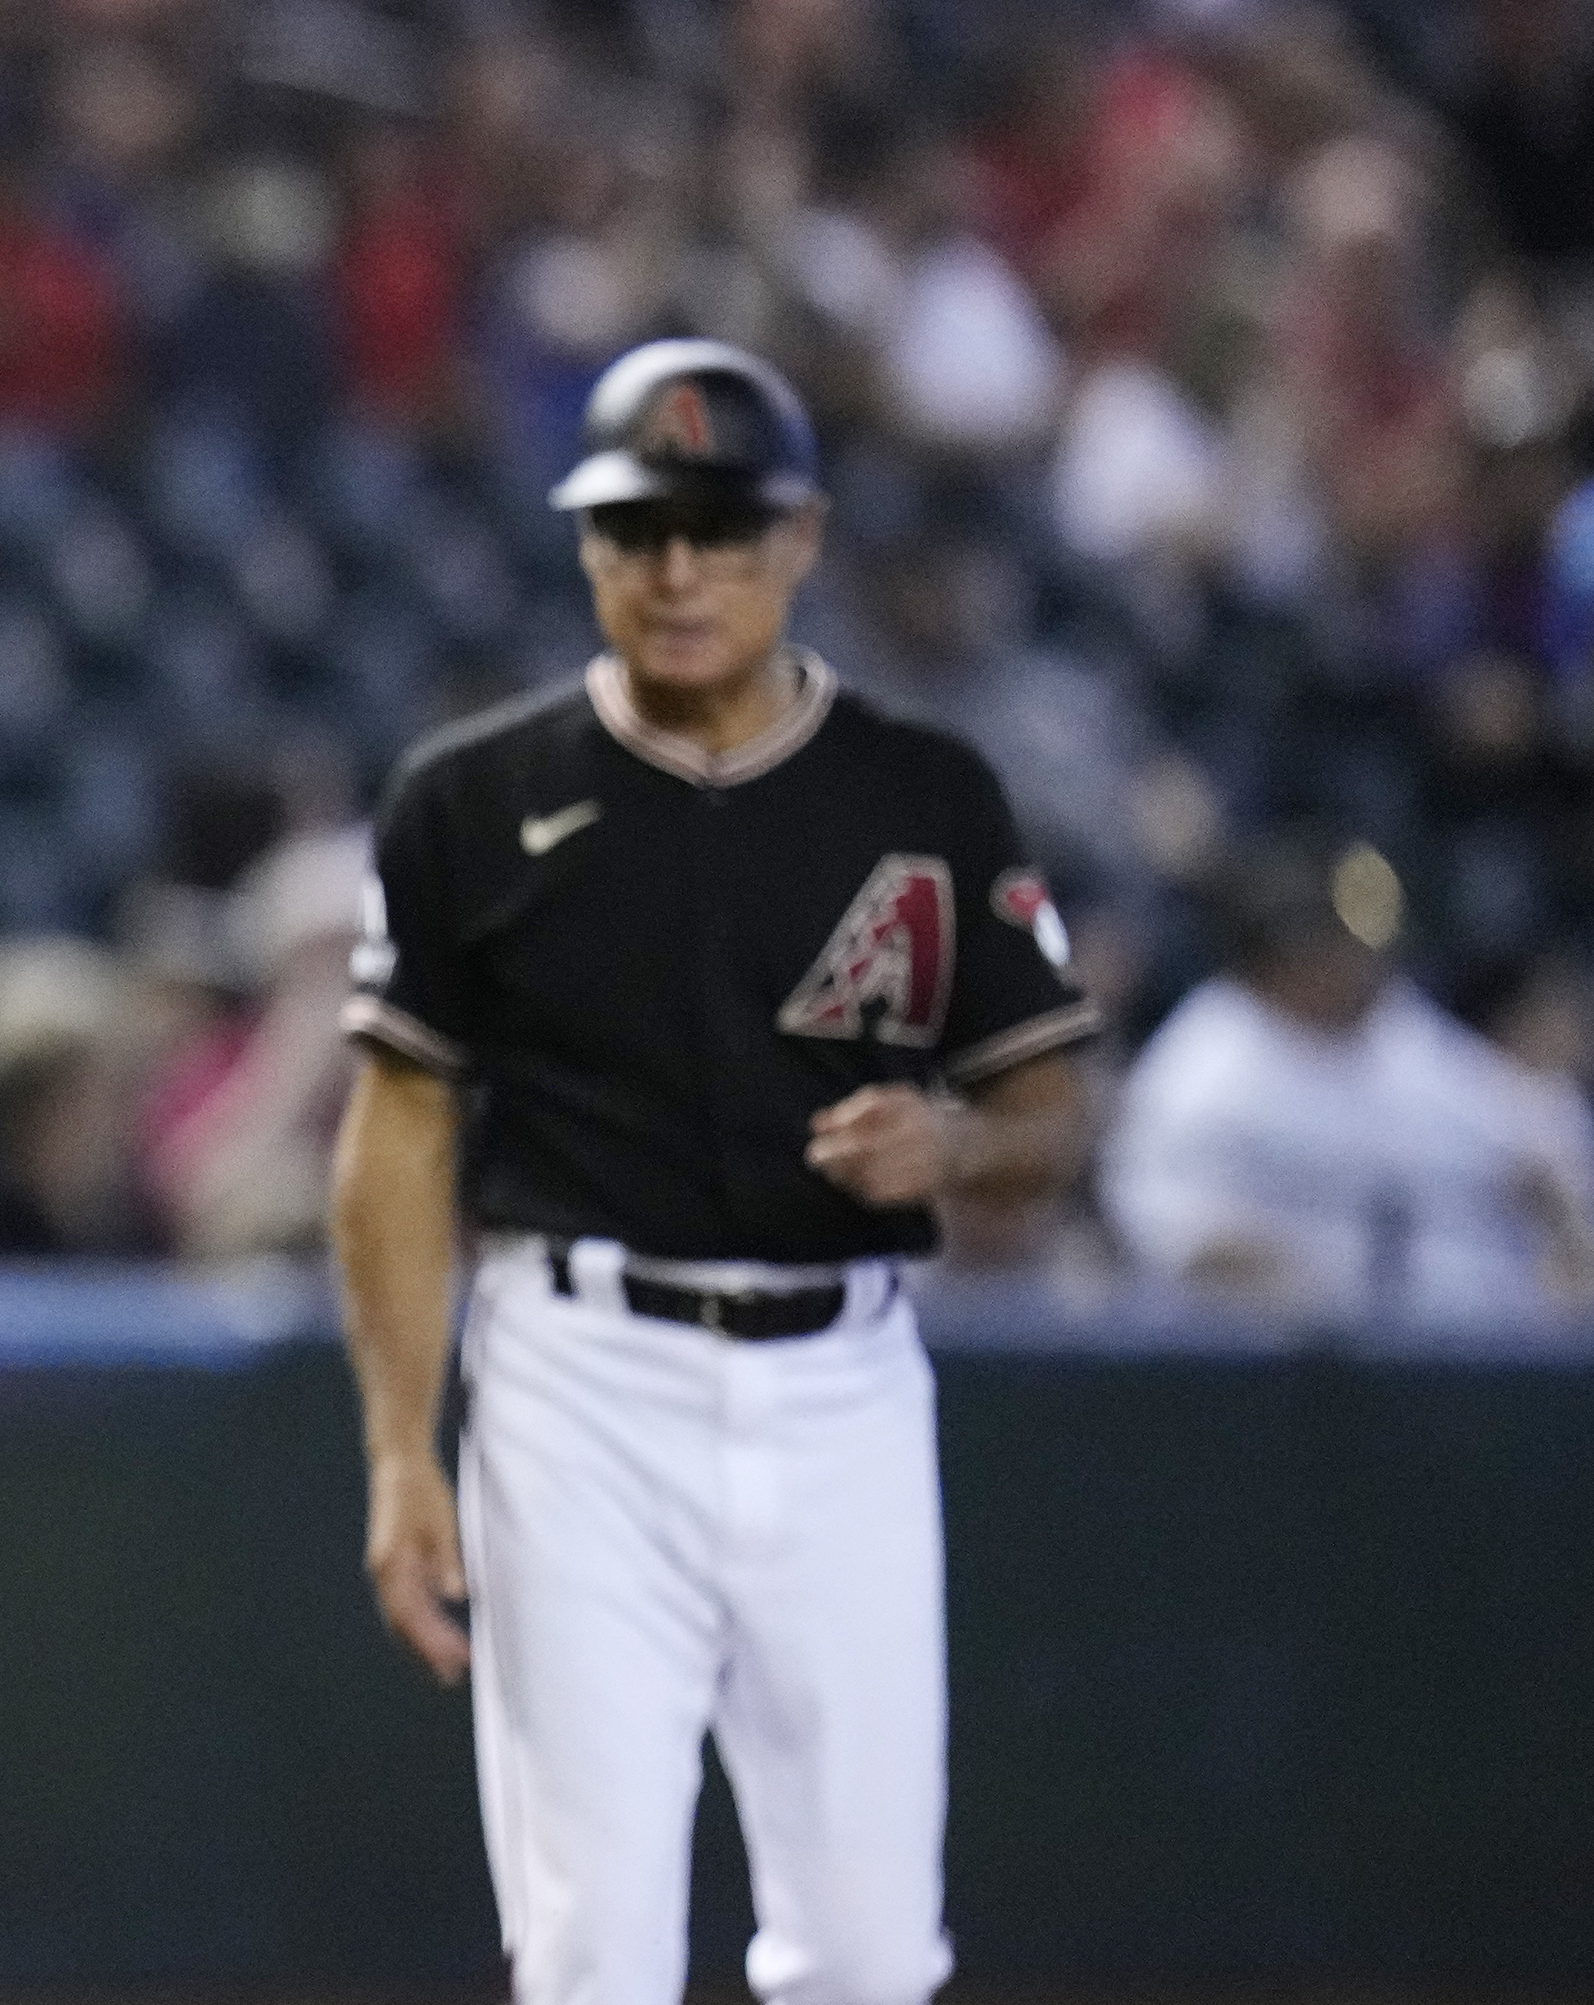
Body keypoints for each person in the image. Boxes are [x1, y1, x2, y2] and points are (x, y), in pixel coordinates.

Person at [327, 338, 1100, 2005]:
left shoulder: (923, 792)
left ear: (800, 540)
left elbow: (1055, 1111)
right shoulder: (475, 798)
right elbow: (393, 1130)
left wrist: (960, 1142)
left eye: (720, 532)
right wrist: (403, 1450)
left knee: (872, 1955)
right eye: (638, 531)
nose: (678, 571)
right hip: (575, 1378)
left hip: (846, 1382)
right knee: (594, 1946)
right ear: (590, 548)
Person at [1102, 838, 1594, 1324]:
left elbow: (1537, 1141)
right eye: (1343, 943)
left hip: (1467, 1362)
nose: (1367, 962)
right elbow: (1167, 1233)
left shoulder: (1398, 1029)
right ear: (1288, 951)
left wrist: (1567, 1235)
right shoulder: (1203, 1067)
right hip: (1283, 1379)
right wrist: (1307, 1294)